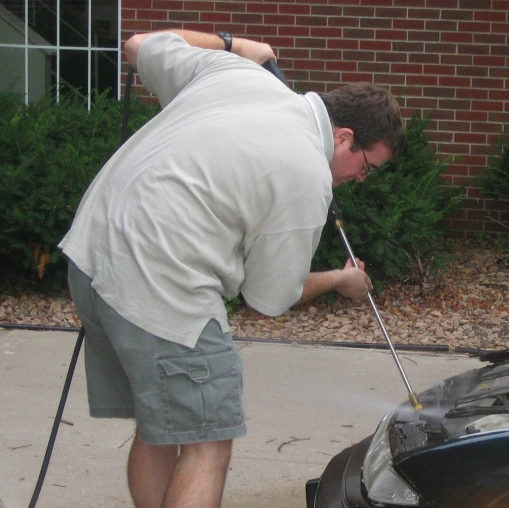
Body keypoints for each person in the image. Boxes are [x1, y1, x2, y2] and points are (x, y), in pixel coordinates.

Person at [58, 29, 404, 508]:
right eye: (367, 167)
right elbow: (269, 298)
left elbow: (137, 45)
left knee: (161, 428)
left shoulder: (238, 72)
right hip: (160, 285)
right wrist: (341, 280)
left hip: (91, 256)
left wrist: (234, 44)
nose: (361, 180)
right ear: (343, 137)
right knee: (208, 441)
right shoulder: (306, 171)